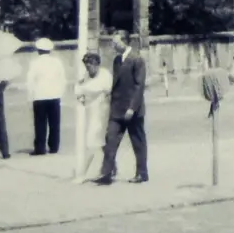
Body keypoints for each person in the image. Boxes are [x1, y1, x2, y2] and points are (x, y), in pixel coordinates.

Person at [99, 32, 149, 185]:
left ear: (124, 42)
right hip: (117, 108)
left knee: (138, 142)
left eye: (116, 42)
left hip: (132, 110)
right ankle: (107, 173)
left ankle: (141, 173)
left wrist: (132, 108)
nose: (113, 45)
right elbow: (116, 83)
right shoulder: (117, 60)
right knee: (110, 139)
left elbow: (139, 86)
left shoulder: (137, 59)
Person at [72, 52, 115, 183]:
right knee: (102, 143)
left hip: (102, 112)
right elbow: (78, 89)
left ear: (97, 64)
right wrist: (80, 96)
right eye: (87, 65)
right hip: (89, 112)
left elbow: (107, 91)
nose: (89, 67)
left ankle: (81, 174)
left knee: (91, 142)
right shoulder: (85, 76)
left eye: (91, 64)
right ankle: (112, 168)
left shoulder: (105, 75)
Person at [26, 38, 66, 155]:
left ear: (38, 50)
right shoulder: (57, 62)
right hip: (54, 95)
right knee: (54, 123)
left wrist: (30, 96)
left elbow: (30, 81)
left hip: (39, 95)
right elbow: (62, 79)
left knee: (40, 123)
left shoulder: (34, 63)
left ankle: (40, 148)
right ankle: (54, 146)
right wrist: (60, 93)